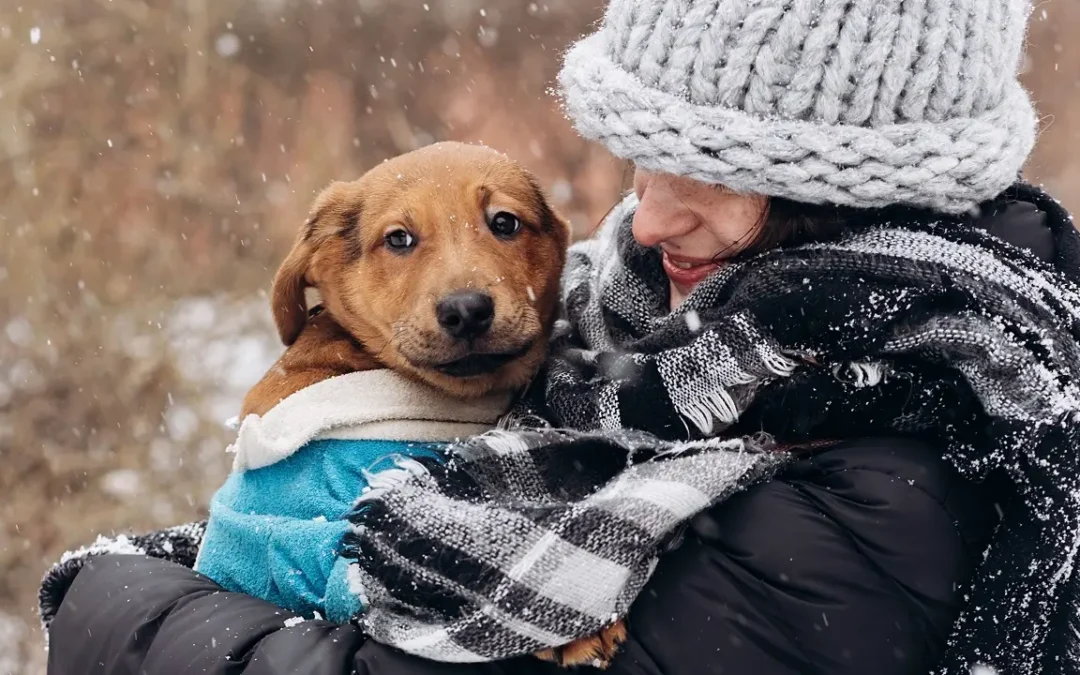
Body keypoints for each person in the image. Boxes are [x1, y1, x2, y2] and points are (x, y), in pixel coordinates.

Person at [41, 1, 1080, 674]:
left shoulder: (908, 462)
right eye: (641, 158)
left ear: (856, 198)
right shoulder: (637, 337)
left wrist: (110, 599)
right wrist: (223, 554)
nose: (650, 217)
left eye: (714, 169)